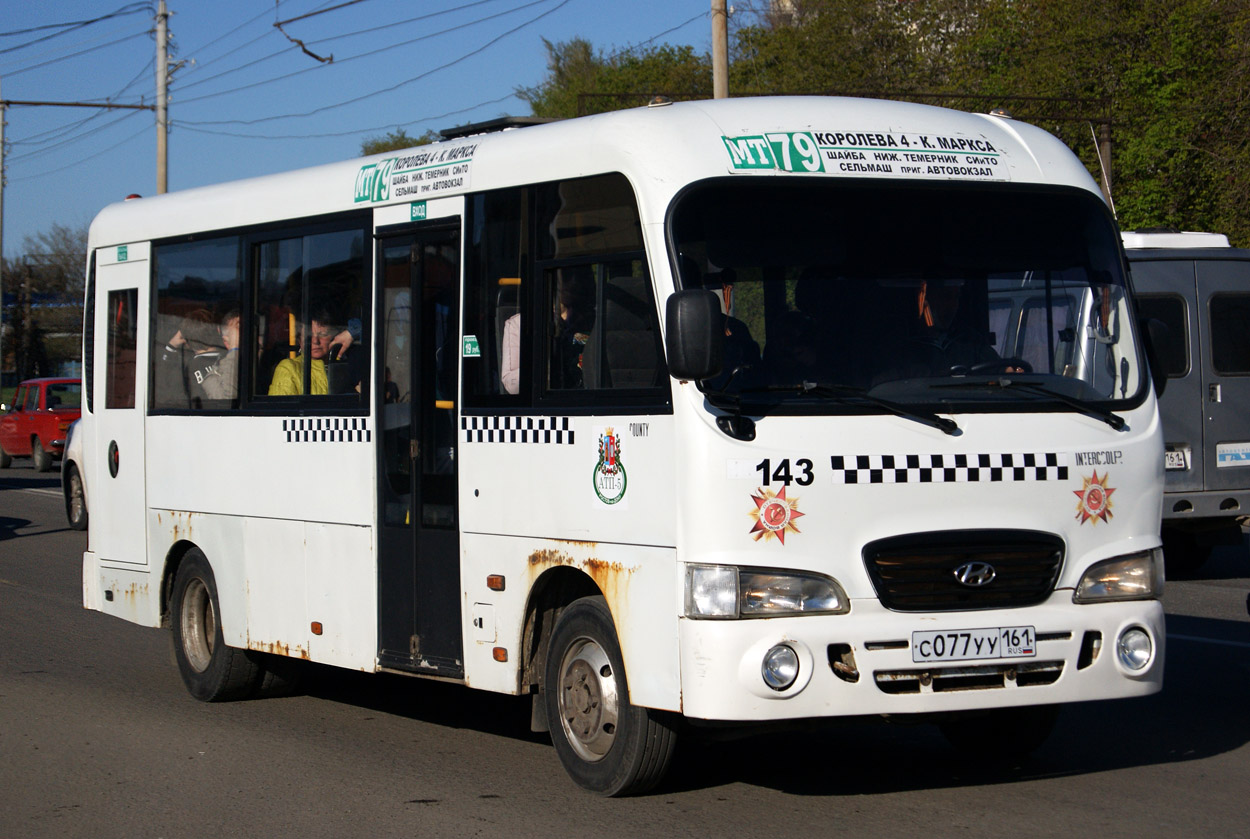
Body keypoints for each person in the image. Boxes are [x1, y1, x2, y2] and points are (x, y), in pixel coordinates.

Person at [268, 314, 353, 396]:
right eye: (308, 336)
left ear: (335, 337)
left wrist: (351, 333)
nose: (315, 341)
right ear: (300, 340)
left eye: (323, 335)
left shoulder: (348, 366)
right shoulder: (288, 369)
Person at [201, 310, 240, 400]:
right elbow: (229, 400)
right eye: (238, 327)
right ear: (226, 341)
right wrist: (234, 348)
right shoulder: (214, 376)